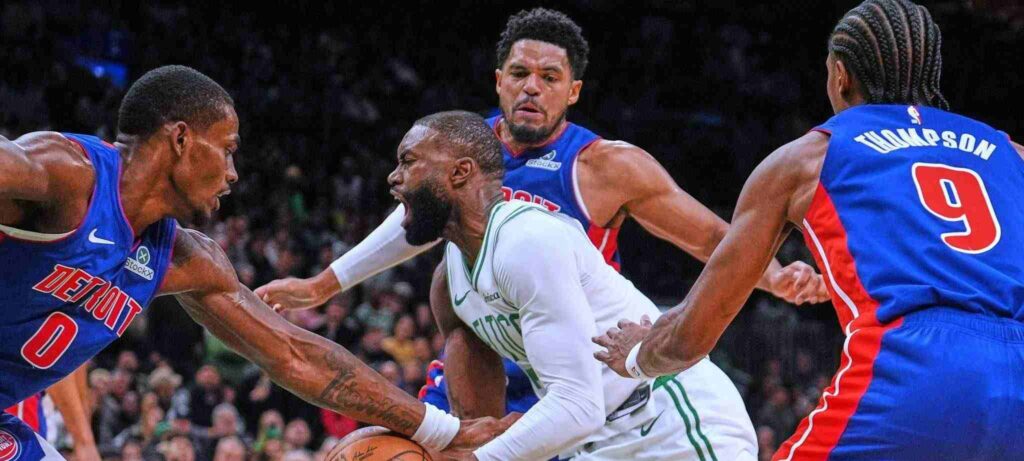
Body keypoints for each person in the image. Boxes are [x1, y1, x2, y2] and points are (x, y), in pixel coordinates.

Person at [256, 5, 825, 430]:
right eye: (520, 73)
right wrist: (323, 284)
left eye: (549, 77)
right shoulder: (456, 148)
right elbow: (410, 220)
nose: (532, 87)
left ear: (572, 90)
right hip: (490, 352)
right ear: (498, 80)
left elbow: (708, 235)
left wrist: (774, 275)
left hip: (573, 365)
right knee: (444, 292)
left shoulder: (605, 165)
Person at [0, 65, 513, 460]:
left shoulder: (184, 256)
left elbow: (294, 354)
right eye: (226, 150)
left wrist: (443, 429)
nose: (233, 173)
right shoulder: (67, 177)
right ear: (180, 140)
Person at [593, 1, 1024, 459]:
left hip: (915, 370)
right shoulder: (1012, 154)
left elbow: (690, 337)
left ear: (840, 76)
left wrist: (639, 355)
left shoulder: (806, 159)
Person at [343, 111, 758, 460]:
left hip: (669, 420)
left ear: (460, 173)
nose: (394, 178)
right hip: (592, 442)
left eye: (408, 162)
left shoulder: (527, 242)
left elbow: (578, 406)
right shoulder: (454, 274)